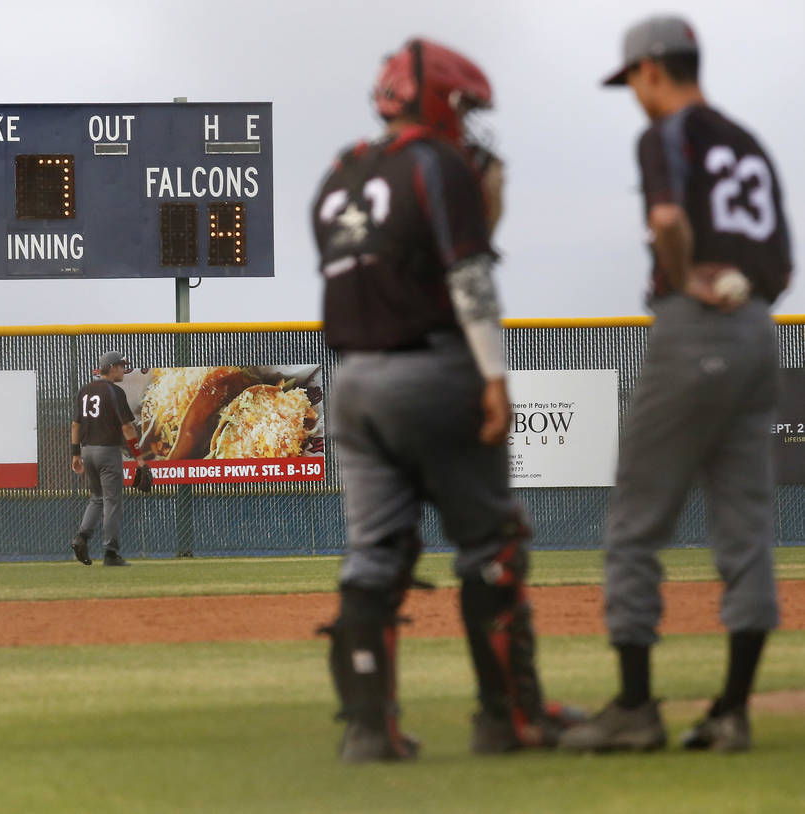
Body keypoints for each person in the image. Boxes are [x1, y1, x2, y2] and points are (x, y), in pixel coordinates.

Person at [313, 37, 578, 763]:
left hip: (353, 381)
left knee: (374, 555)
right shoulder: (439, 164)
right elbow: (467, 276)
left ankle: (370, 730)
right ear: (437, 102)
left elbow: (376, 271)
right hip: (432, 369)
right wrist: (494, 375)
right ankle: (510, 719)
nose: (468, 123)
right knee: (493, 548)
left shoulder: (339, 175)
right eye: (463, 107)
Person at [559, 15, 793, 753]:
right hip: (759, 330)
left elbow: (666, 218)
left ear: (654, 69)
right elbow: (782, 265)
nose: (633, 92)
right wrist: (740, 293)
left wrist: (689, 271)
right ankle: (731, 710)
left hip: (693, 329)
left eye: (633, 77)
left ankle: (634, 707)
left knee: (634, 525)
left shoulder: (667, 135)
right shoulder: (749, 143)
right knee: (748, 529)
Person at [70, 350, 148, 567]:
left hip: (87, 451)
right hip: (107, 451)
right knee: (112, 501)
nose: (124, 369)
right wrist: (139, 458)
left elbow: (75, 425)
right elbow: (127, 427)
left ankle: (81, 537)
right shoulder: (114, 391)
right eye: (122, 366)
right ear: (112, 367)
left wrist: (75, 454)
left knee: (97, 497)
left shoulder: (84, 391)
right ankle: (111, 553)